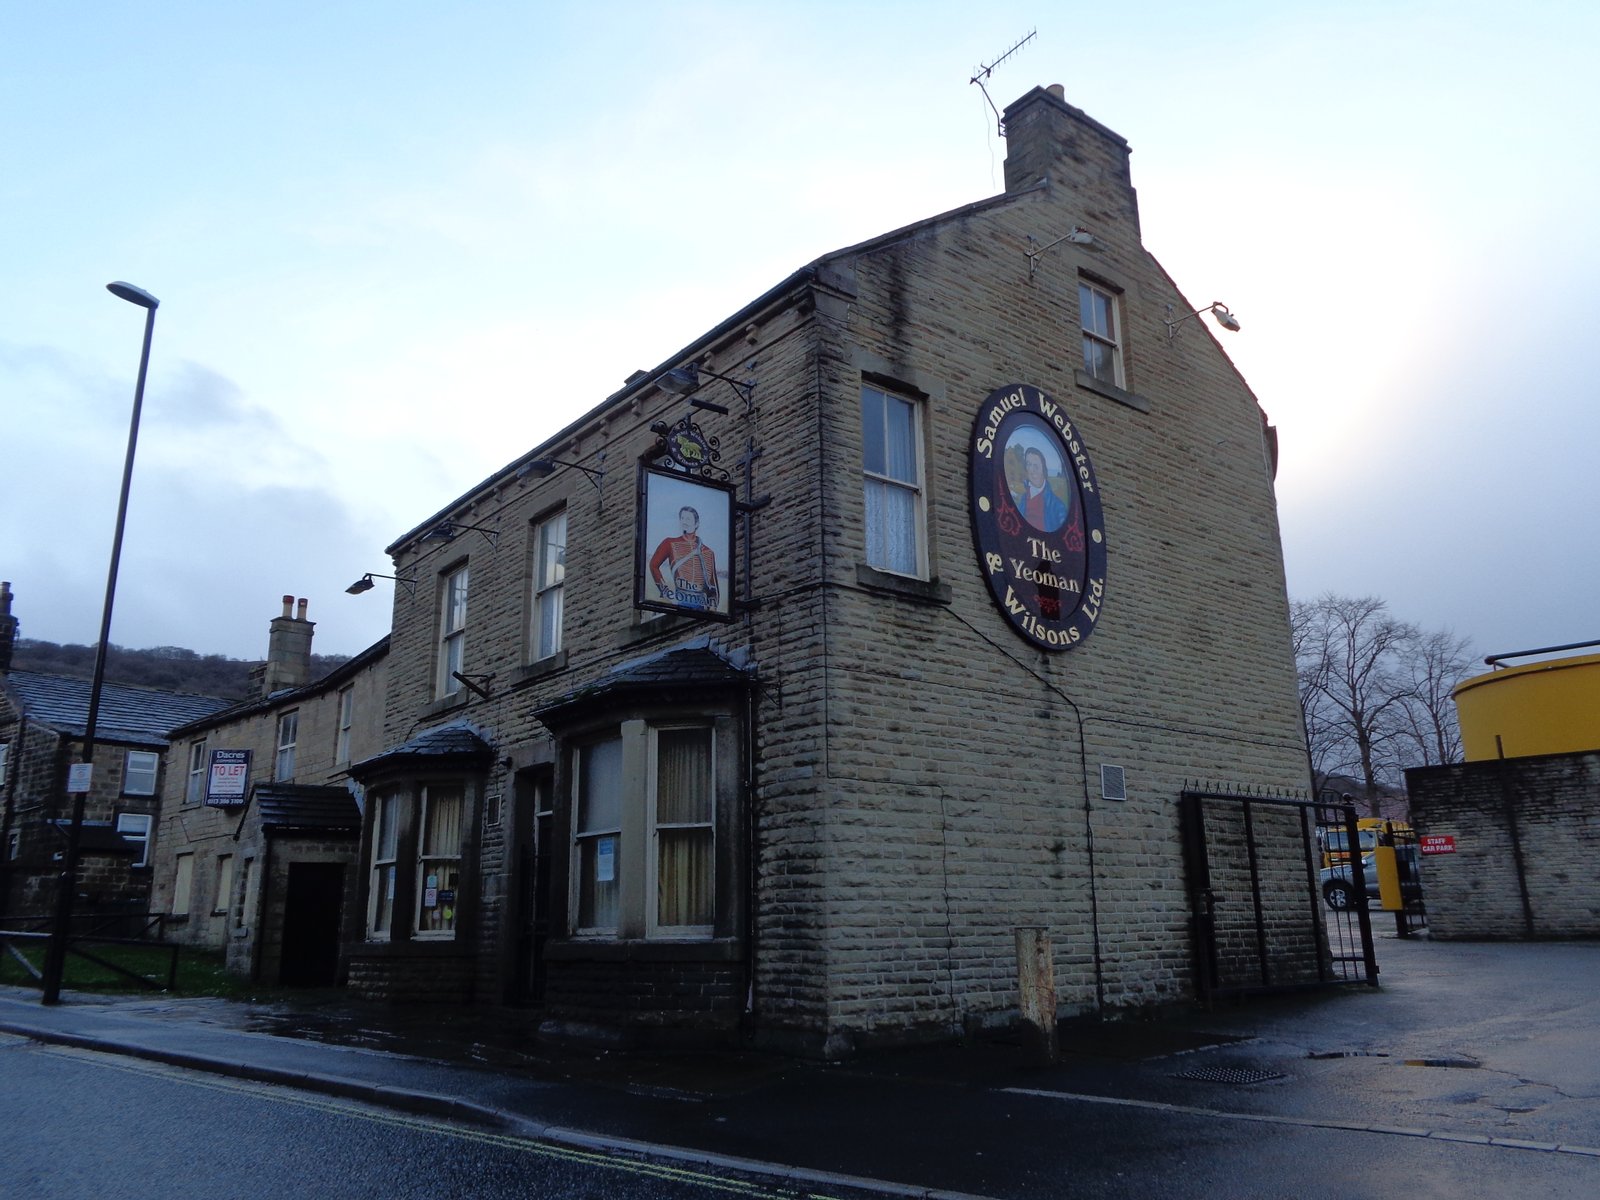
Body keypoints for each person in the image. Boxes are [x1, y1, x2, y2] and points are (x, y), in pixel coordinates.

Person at [648, 505, 720, 610]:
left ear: (696, 523)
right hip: (680, 600)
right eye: (682, 518)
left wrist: (712, 607)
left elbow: (713, 584)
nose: (684, 522)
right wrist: (666, 592)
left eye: (688, 519)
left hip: (702, 603)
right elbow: (653, 565)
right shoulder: (669, 543)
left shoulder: (708, 552)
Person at [1010, 445, 1069, 533]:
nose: (1032, 469)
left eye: (1036, 465)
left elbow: (1063, 536)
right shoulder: (1023, 499)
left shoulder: (1057, 506)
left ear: (1043, 468)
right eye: (1028, 464)